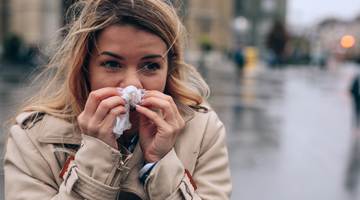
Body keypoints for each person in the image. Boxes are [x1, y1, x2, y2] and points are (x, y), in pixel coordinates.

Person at [4, 0, 232, 199]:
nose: (132, 85)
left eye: (151, 66)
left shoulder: (203, 131)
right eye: (112, 64)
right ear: (85, 67)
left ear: (168, 69)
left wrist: (160, 164)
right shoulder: (33, 138)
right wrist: (97, 155)